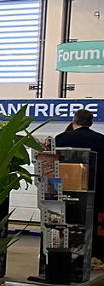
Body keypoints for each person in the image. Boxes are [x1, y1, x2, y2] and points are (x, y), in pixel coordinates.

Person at [55, 108, 104, 270]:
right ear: (91, 122)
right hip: (97, 190)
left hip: (68, 190)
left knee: (69, 222)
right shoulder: (101, 140)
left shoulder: (62, 138)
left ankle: (66, 253)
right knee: (95, 222)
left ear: (74, 120)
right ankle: (95, 255)